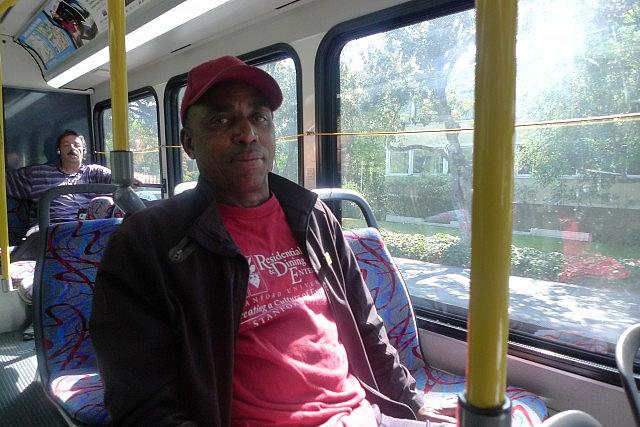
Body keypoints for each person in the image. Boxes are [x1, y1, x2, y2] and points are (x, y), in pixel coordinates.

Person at [90, 56, 457, 426]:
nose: (247, 133)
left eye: (259, 118)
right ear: (189, 142)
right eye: (221, 120)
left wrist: (411, 400)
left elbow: (365, 323)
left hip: (364, 414)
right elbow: (142, 401)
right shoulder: (148, 244)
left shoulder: (312, 217)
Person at [7, 129, 112, 229]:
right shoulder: (39, 174)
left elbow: (124, 183)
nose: (72, 148)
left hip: (88, 231)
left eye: (76, 145)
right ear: (59, 151)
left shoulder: (96, 173)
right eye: (66, 145)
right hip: (50, 232)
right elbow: (5, 182)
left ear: (83, 151)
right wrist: (11, 163)